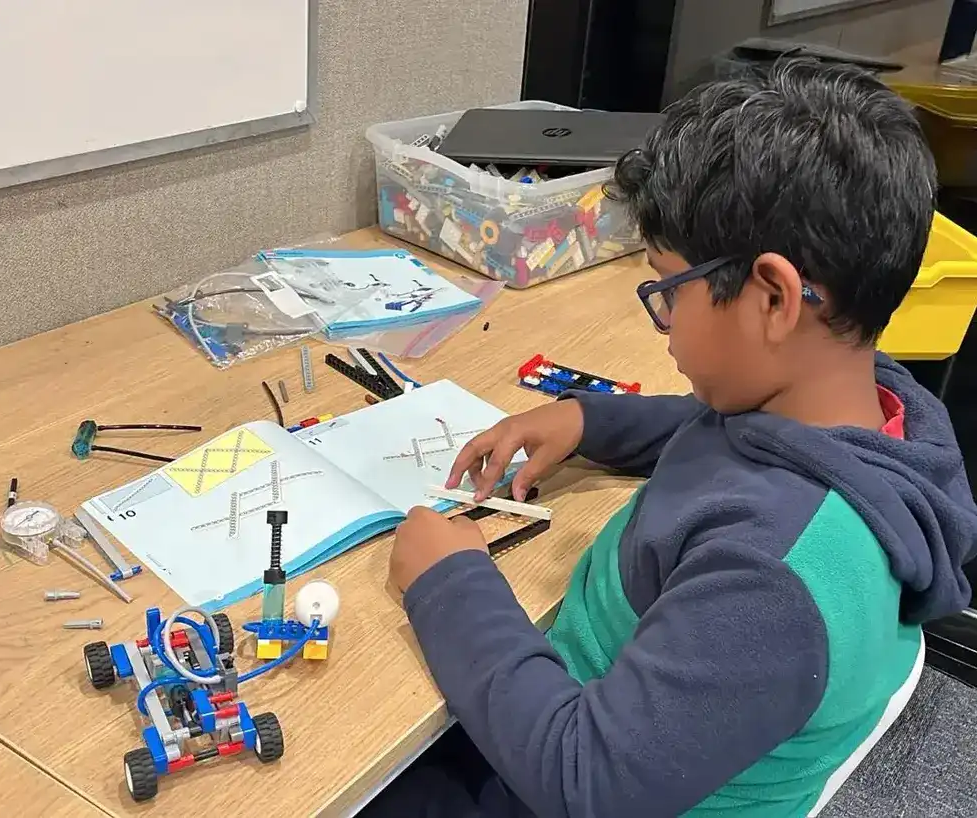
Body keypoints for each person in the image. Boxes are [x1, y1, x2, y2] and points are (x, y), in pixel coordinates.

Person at [374, 59, 977, 817]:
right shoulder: (862, 404)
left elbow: (585, 782)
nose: (660, 325)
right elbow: (723, 430)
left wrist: (451, 583)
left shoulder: (772, 583)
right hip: (600, 707)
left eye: (666, 291)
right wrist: (588, 420)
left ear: (774, 298)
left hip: (572, 770)